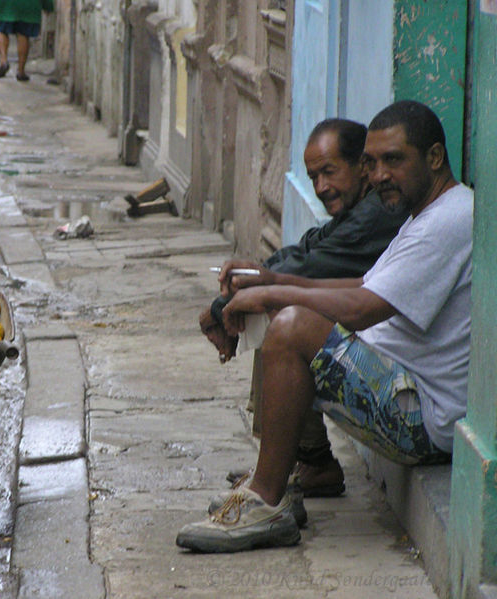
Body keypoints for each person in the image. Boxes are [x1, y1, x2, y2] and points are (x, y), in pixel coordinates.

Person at [177, 100, 472, 553]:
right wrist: (271, 282)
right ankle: (287, 477)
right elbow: (363, 283)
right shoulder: (426, 216)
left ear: (434, 158)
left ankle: (267, 502)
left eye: (394, 160)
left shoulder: (450, 220)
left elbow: (359, 308)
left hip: (422, 418)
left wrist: (275, 295)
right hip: (399, 388)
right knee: (284, 309)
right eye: (372, 164)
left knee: (293, 324)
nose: (379, 176)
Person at [200, 118, 410, 497]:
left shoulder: (379, 213)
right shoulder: (360, 210)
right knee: (273, 302)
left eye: (329, 172)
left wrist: (233, 303)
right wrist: (251, 281)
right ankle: (305, 461)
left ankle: (300, 466)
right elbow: (305, 251)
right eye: (313, 177)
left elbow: (311, 267)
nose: (321, 187)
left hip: (403, 388)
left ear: (360, 167)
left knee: (280, 314)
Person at [0, 0, 53, 81]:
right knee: (23, 33)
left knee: (2, 30)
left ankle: (3, 61)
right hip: (27, 4)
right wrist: (48, 5)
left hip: (6, 4)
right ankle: (21, 71)